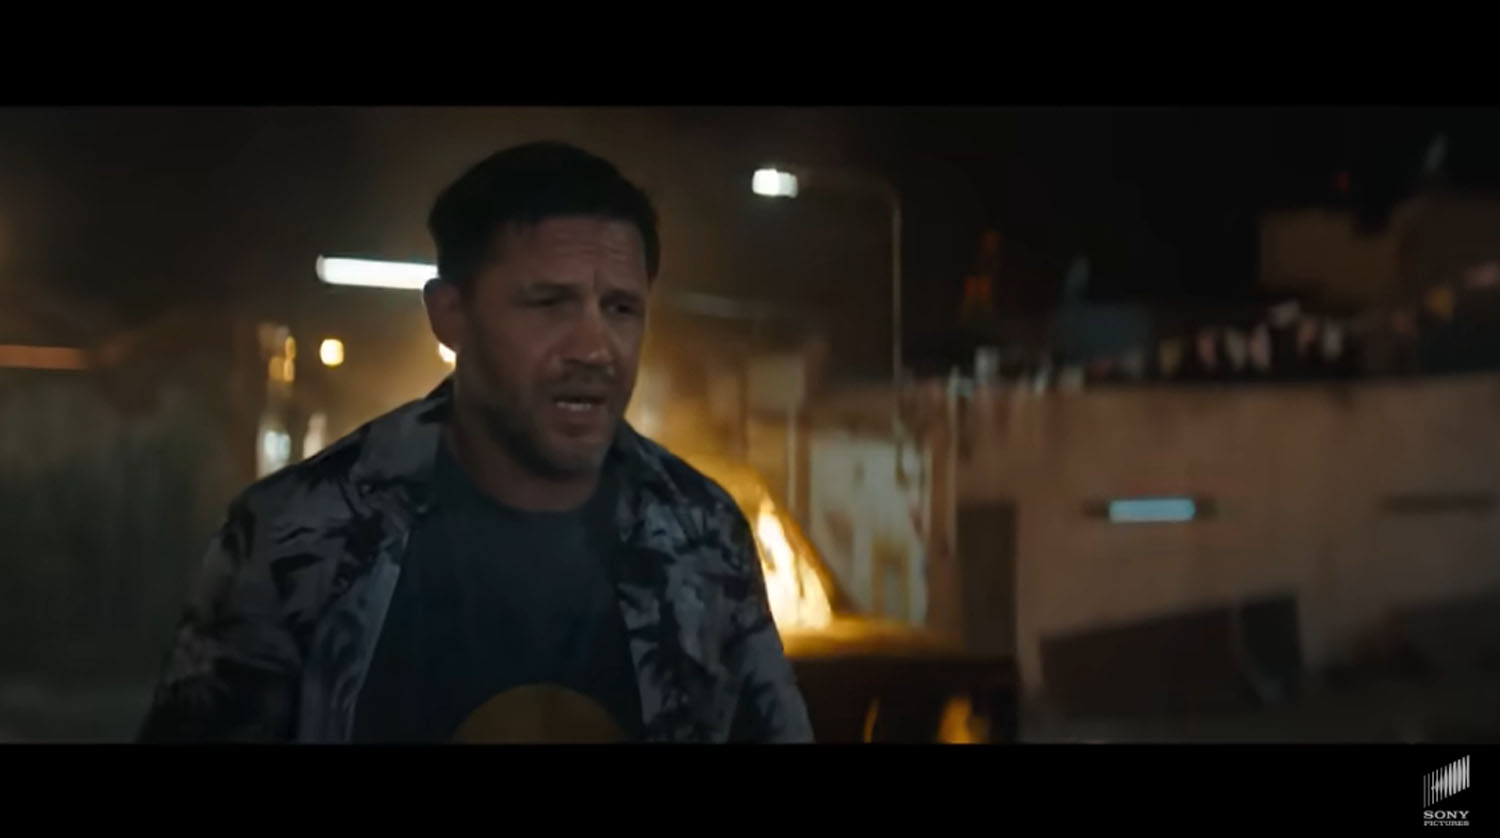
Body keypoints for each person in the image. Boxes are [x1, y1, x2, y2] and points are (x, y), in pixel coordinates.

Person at [138, 141, 814, 743]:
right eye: (549, 304)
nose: (595, 348)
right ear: (450, 315)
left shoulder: (701, 534)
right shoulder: (300, 534)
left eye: (620, 308)